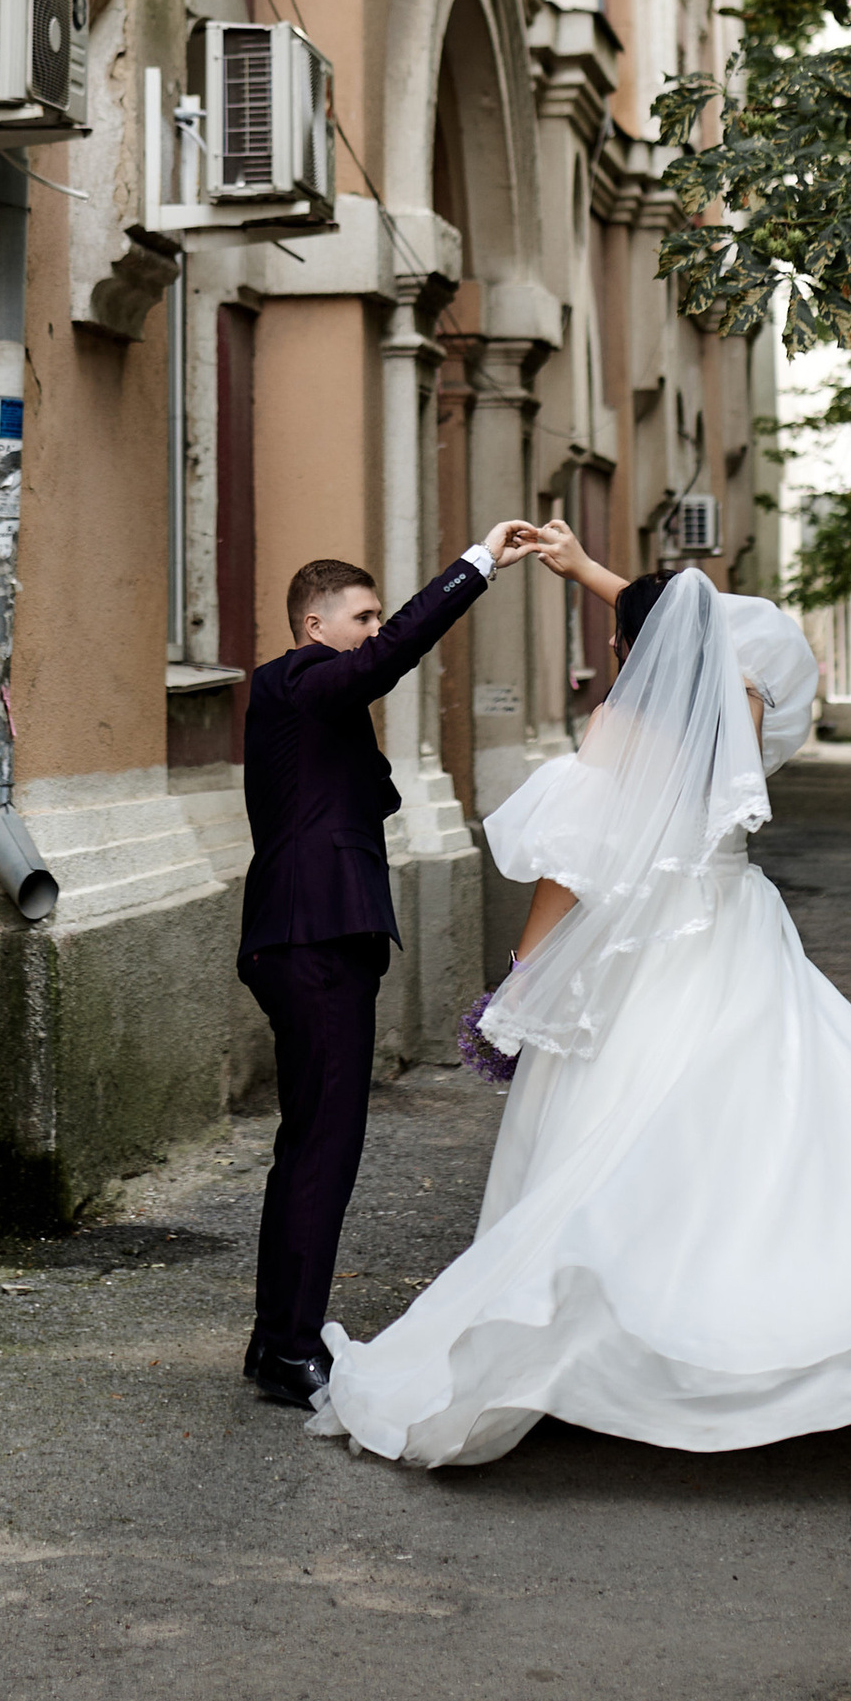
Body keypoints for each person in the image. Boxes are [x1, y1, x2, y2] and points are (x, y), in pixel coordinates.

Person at [320, 530, 851, 1467]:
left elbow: (567, 872)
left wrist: (522, 986)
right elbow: (707, 623)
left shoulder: (620, 730)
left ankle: (618, 1346)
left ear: (635, 656)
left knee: (615, 1141)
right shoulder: (746, 698)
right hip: (737, 933)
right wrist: (597, 576)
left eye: (624, 641)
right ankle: (779, 1331)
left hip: (643, 956)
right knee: (773, 1133)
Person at [239, 523, 539, 1407]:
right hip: (313, 943)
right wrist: (475, 566)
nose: (373, 630)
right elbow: (390, 659)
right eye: (360, 617)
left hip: (314, 942)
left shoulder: (315, 703)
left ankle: (276, 1343)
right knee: (323, 1149)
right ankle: (292, 1351)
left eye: (375, 616)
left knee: (312, 1147)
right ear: (313, 627)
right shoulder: (298, 683)